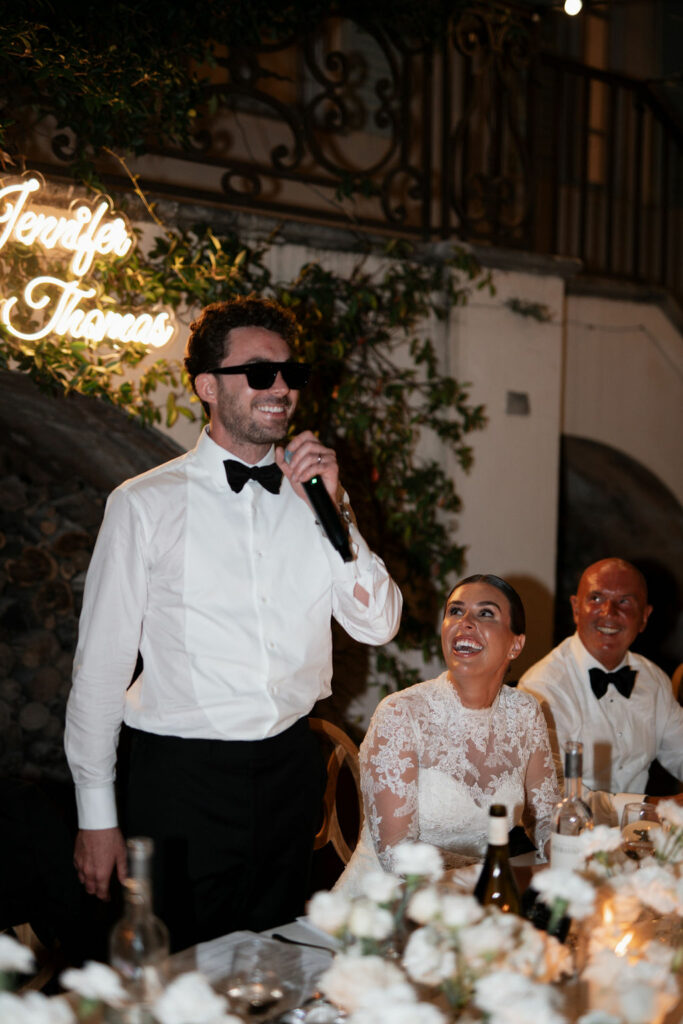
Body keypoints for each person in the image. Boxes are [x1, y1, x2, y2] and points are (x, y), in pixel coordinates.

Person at [65, 296, 402, 950]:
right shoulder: (143, 504)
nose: (279, 387)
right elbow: (100, 672)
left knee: (273, 963)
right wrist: (96, 816)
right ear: (206, 386)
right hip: (180, 784)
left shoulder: (318, 498)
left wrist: (333, 512)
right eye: (257, 372)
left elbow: (378, 624)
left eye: (288, 373)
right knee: (182, 979)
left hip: (288, 770)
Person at [335, 574, 559, 894]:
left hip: (480, 901)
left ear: (515, 644)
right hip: (388, 904)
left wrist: (567, 858)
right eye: (455, 611)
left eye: (485, 613)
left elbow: (546, 818)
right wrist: (508, 878)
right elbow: (397, 855)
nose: (464, 622)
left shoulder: (525, 711)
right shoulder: (401, 713)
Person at [519, 557, 683, 826]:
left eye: (625, 601)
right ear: (576, 609)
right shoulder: (542, 688)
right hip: (565, 846)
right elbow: (549, 794)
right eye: (595, 598)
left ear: (644, 617)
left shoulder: (653, 679)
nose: (609, 611)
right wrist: (649, 807)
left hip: (639, 841)